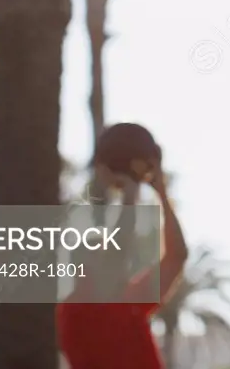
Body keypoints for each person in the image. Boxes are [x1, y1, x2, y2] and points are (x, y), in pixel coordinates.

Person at [57, 157, 188, 369]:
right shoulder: (76, 313)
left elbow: (177, 256)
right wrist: (129, 196)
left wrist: (161, 193)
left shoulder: (127, 300)